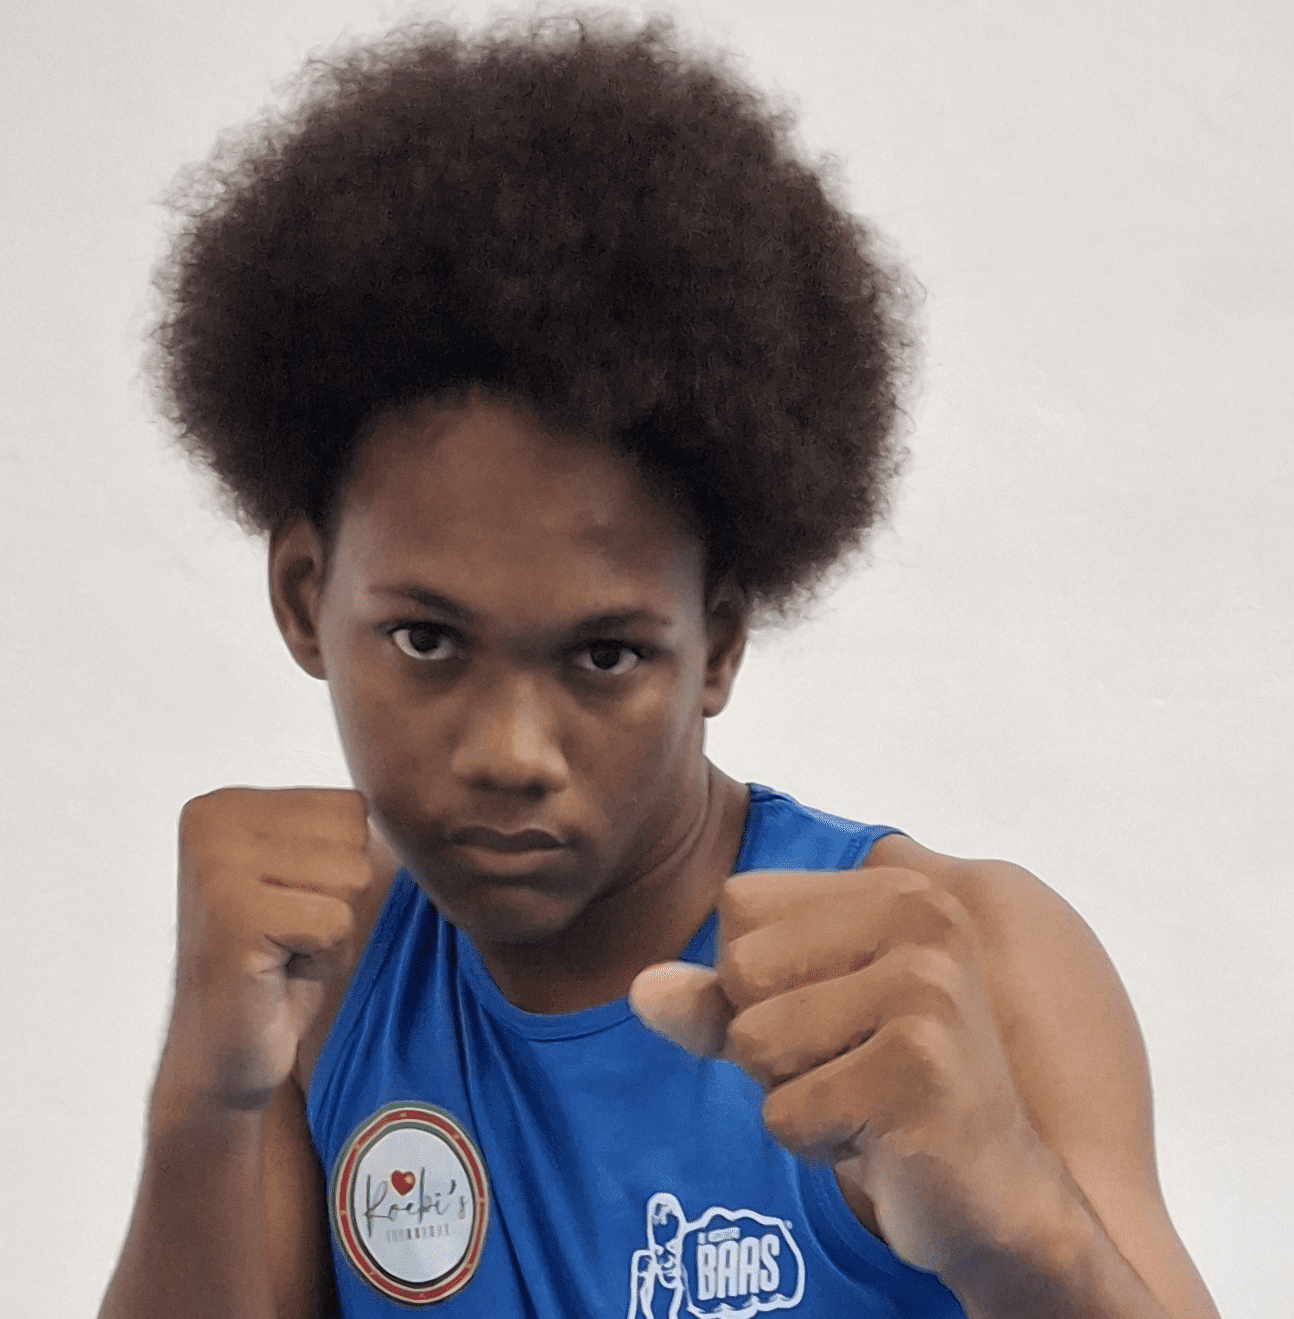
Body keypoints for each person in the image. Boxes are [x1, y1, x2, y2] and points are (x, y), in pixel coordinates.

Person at [98, 14, 1220, 1319]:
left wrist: (1017, 1235)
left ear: (718, 644)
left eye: (604, 654)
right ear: (305, 598)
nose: (510, 750)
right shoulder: (324, 985)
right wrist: (200, 1100)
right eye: (428, 639)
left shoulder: (960, 967)